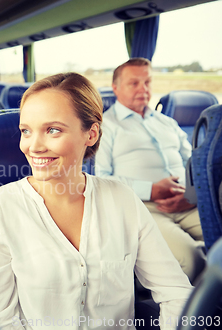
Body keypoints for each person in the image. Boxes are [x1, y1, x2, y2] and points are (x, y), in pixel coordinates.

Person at [0, 73, 192, 330]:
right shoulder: (1, 207)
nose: (34, 146)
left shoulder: (123, 200)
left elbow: (176, 293)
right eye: (26, 131)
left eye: (52, 130)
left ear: (91, 134)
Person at [95, 58, 205, 283]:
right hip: (143, 209)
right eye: (134, 83)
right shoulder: (105, 127)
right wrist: (151, 190)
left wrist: (192, 195)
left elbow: (195, 164)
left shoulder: (167, 123)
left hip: (188, 202)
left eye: (147, 82)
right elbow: (100, 178)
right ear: (115, 88)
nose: (143, 89)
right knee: (191, 259)